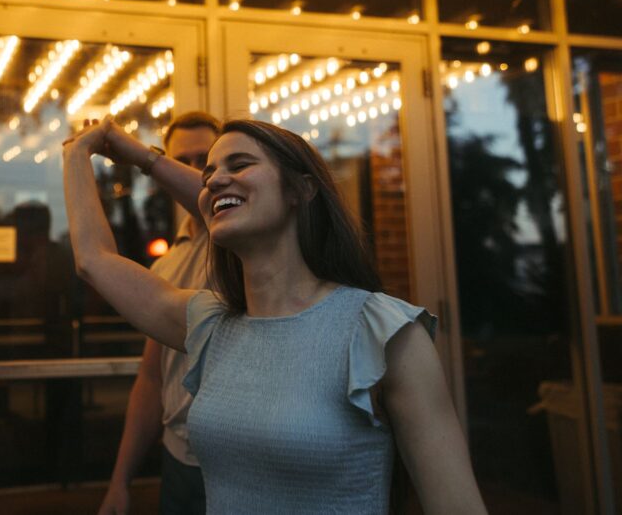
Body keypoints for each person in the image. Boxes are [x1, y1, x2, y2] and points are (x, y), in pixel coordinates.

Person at [63, 117, 487, 514]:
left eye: (239, 164)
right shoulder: (210, 324)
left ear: (301, 190)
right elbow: (95, 261)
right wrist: (77, 154)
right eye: (208, 174)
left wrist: (141, 154)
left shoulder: (380, 331)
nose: (214, 180)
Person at [99, 112, 220, 515]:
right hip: (178, 460)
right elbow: (152, 378)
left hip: (239, 456)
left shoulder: (248, 243)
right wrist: (119, 480)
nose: (196, 170)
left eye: (206, 158)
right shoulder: (169, 263)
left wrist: (142, 156)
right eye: (182, 160)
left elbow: (213, 204)